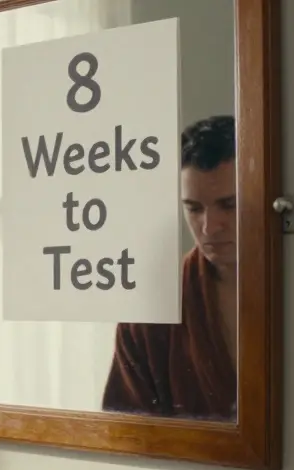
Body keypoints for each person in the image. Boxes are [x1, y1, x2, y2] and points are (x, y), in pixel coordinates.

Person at [101, 115, 238, 420]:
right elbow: (127, 430)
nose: (209, 227)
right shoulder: (150, 309)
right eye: (194, 208)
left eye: (229, 205)